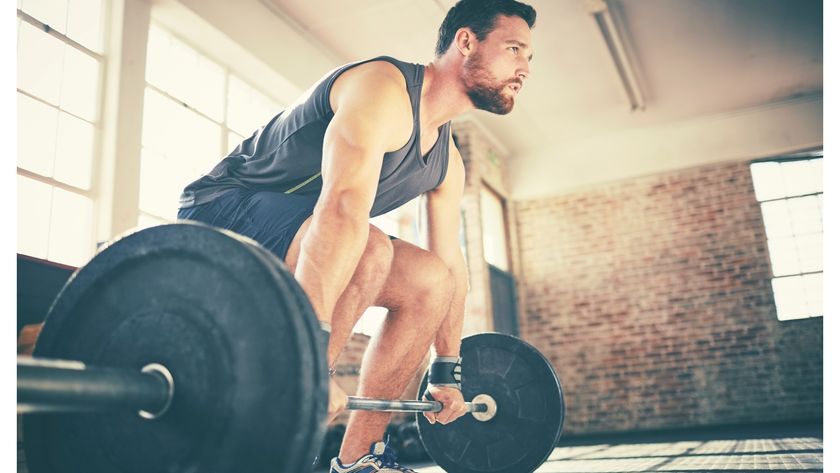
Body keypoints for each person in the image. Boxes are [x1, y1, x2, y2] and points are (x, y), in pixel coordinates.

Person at [177, 0, 536, 471]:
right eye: (515, 49)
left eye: (529, 57)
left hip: (309, 231)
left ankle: (359, 461)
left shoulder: (447, 161)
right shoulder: (382, 88)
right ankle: (296, 390)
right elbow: (343, 205)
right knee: (368, 247)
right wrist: (308, 363)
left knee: (430, 279)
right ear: (466, 41)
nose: (524, 68)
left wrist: (448, 372)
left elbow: (452, 267)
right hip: (221, 211)